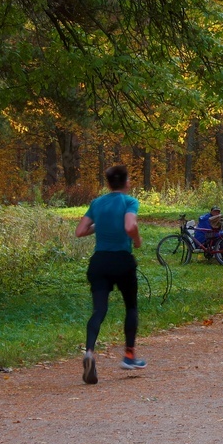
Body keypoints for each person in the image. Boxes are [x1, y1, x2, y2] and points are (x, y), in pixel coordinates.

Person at [75, 165, 145, 385]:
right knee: (131, 307)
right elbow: (130, 225)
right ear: (126, 182)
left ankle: (89, 352)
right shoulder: (129, 202)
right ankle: (129, 356)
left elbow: (81, 231)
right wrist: (136, 240)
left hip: (99, 262)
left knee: (99, 309)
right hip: (122, 261)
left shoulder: (97, 203)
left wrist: (101, 225)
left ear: (108, 183)